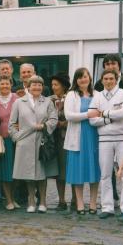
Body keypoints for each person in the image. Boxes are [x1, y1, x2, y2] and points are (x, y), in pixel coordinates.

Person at [9, 76, 58, 213]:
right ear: (28, 87)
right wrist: (16, 137)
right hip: (25, 142)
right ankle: (31, 200)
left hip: (42, 141)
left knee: (42, 173)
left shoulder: (48, 102)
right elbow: (12, 124)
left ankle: (42, 201)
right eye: (34, 85)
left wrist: (43, 126)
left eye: (39, 85)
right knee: (28, 174)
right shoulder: (19, 102)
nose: (36, 87)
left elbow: (54, 119)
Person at [89, 70, 123, 219]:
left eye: (111, 78)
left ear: (116, 79)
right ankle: (107, 207)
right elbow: (92, 119)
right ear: (102, 79)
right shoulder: (97, 96)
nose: (108, 81)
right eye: (105, 78)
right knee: (105, 174)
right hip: (104, 138)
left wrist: (104, 113)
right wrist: (111, 116)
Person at [64, 68, 101, 215]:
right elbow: (68, 115)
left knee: (94, 170)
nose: (82, 80)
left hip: (94, 136)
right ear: (76, 80)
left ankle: (93, 202)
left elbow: (101, 112)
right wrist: (88, 114)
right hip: (77, 137)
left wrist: (95, 115)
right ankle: (79, 203)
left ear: (90, 78)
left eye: (85, 77)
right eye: (79, 77)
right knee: (77, 171)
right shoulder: (71, 95)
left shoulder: (97, 94)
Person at [0, 75, 18, 210]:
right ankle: (8, 200)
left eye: (7, 83)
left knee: (16, 171)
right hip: (2, 139)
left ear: (11, 84)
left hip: (17, 138)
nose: (5, 86)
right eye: (2, 84)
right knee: (5, 171)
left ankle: (13, 197)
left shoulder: (17, 99)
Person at [49, 72, 75, 211]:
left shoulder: (72, 97)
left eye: (56, 84)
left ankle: (76, 199)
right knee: (60, 171)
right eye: (52, 84)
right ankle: (61, 200)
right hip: (56, 139)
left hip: (70, 137)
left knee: (72, 169)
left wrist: (64, 123)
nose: (53, 87)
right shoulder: (49, 100)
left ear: (64, 86)